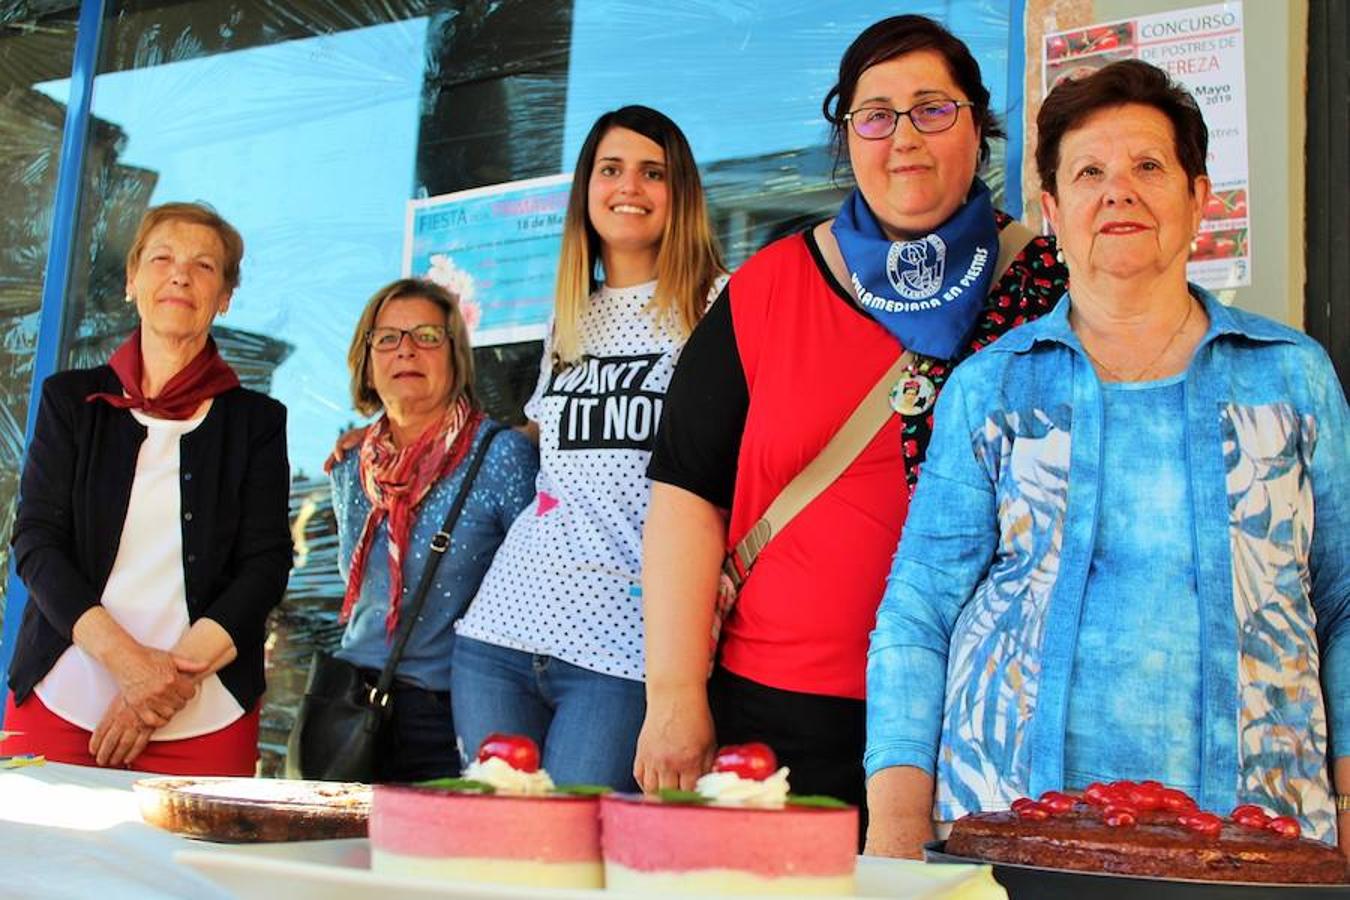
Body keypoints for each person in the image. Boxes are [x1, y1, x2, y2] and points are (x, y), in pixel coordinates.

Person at [865, 59, 1350, 858]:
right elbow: (918, 612)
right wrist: (895, 833)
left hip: (1265, 835)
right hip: (1008, 825)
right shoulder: (994, 386)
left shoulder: (1292, 376)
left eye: (1149, 167)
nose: (1118, 191)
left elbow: (1343, 605)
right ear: (1053, 210)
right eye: (1089, 172)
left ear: (1199, 199)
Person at [634, 14, 1069, 823]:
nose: (902, 136)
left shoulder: (1050, 290)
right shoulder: (769, 288)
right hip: (777, 716)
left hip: (987, 719)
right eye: (874, 116)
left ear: (979, 126)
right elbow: (687, 496)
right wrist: (673, 695)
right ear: (848, 138)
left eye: (932, 108)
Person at [449, 105, 727, 789]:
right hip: (503, 630)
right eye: (611, 169)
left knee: (578, 867)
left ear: (680, 192)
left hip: (627, 649)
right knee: (490, 864)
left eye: (652, 172)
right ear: (587, 190)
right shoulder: (568, 315)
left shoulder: (720, 306)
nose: (629, 186)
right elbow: (548, 449)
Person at [4, 201, 291, 775]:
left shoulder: (257, 420)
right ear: (133, 281)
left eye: (205, 266)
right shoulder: (70, 401)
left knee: (191, 868)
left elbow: (266, 565)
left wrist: (159, 687)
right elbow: (35, 542)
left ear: (226, 296)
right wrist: (131, 666)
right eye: (162, 258)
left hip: (205, 714)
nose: (181, 274)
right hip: (62, 697)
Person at [329, 277, 537, 783]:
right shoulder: (352, 463)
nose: (406, 351)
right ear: (368, 359)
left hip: (450, 716)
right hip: (349, 704)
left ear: (455, 355)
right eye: (388, 338)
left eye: (426, 336)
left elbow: (534, 595)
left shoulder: (500, 457)